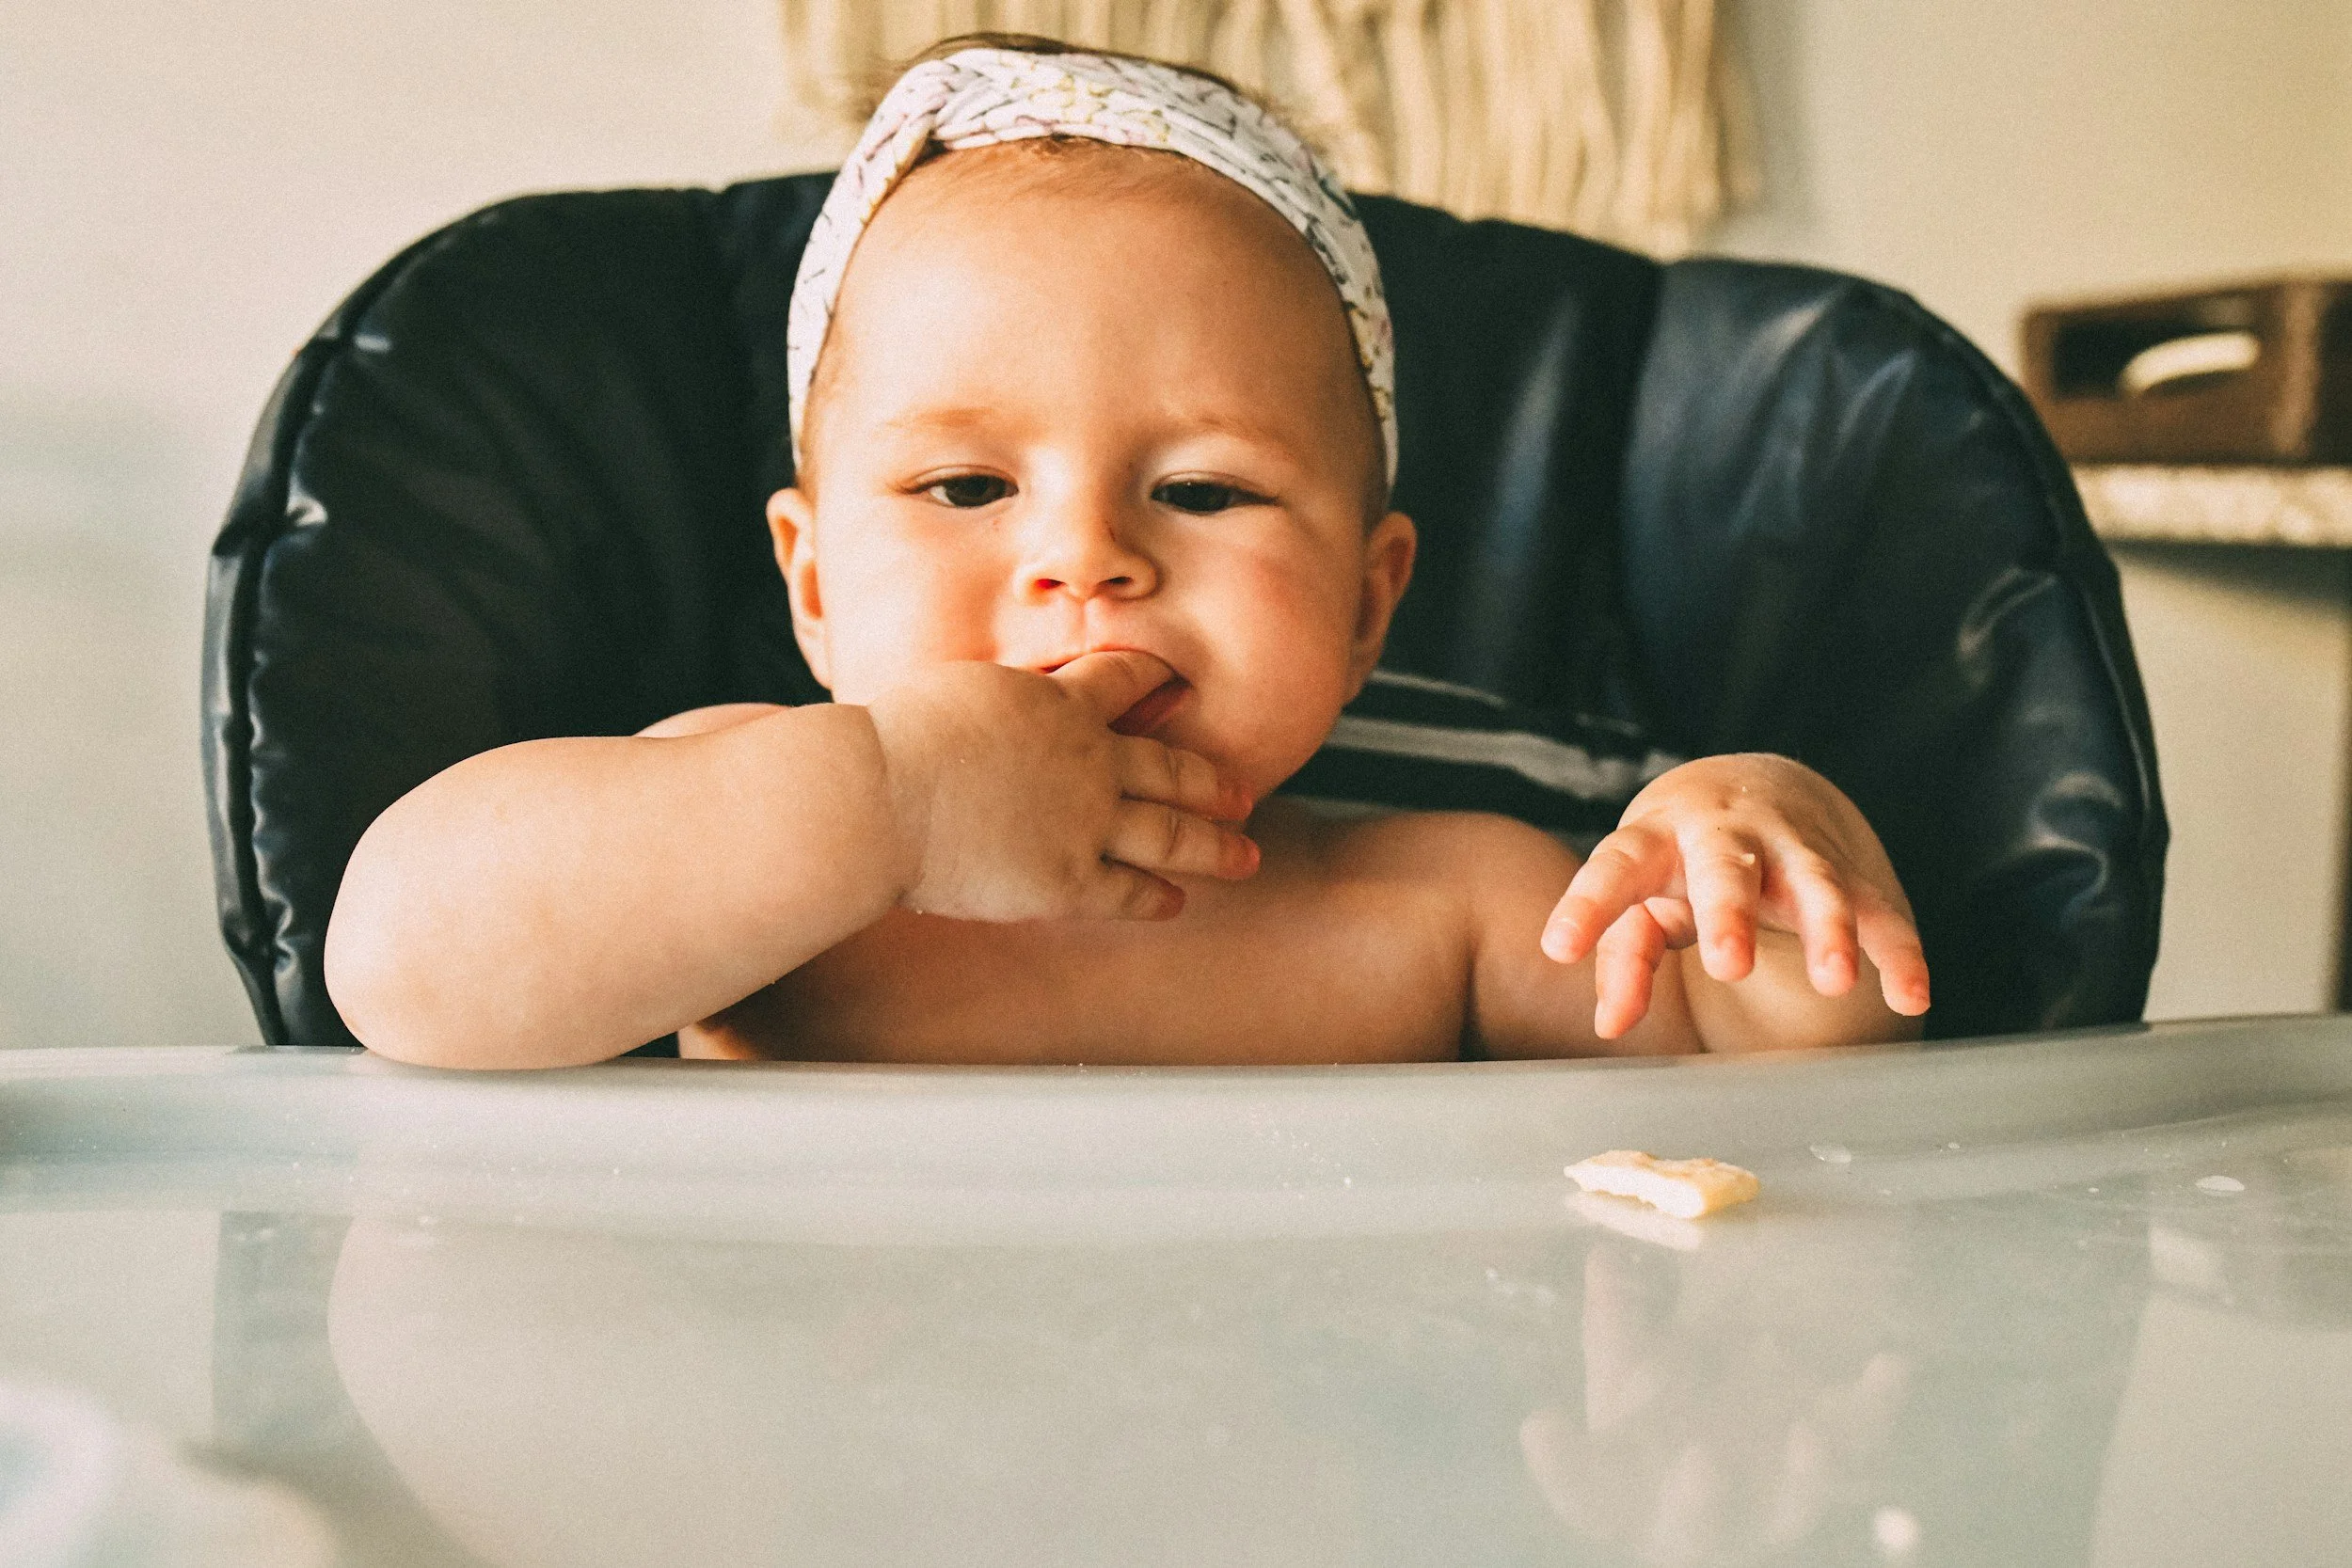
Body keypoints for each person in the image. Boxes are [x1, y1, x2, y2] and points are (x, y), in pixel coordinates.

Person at [325, 36, 1931, 1070]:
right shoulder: (748, 828)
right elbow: (400, 969)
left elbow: (1793, 1081)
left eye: (1209, 493)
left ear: (1371, 604)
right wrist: (886, 799)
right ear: (813, 588)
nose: (1087, 561)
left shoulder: (1434, 899)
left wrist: (1764, 855)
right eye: (964, 488)